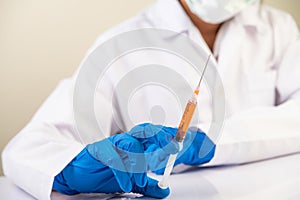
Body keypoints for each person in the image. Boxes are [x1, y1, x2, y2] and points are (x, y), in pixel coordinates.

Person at [2, 0, 300, 199]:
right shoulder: (120, 43)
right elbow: (27, 147)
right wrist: (68, 169)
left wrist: (210, 141)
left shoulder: (278, 29)